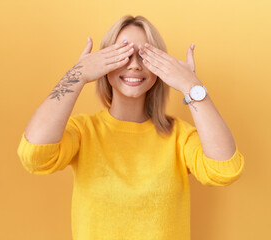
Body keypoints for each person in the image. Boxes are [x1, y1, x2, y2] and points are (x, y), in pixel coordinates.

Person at [17, 15, 244, 240]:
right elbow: (35, 156)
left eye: (144, 56)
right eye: (123, 54)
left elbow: (224, 170)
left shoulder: (179, 137)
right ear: (104, 63)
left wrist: (191, 86)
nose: (134, 65)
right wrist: (77, 75)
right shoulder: (84, 131)